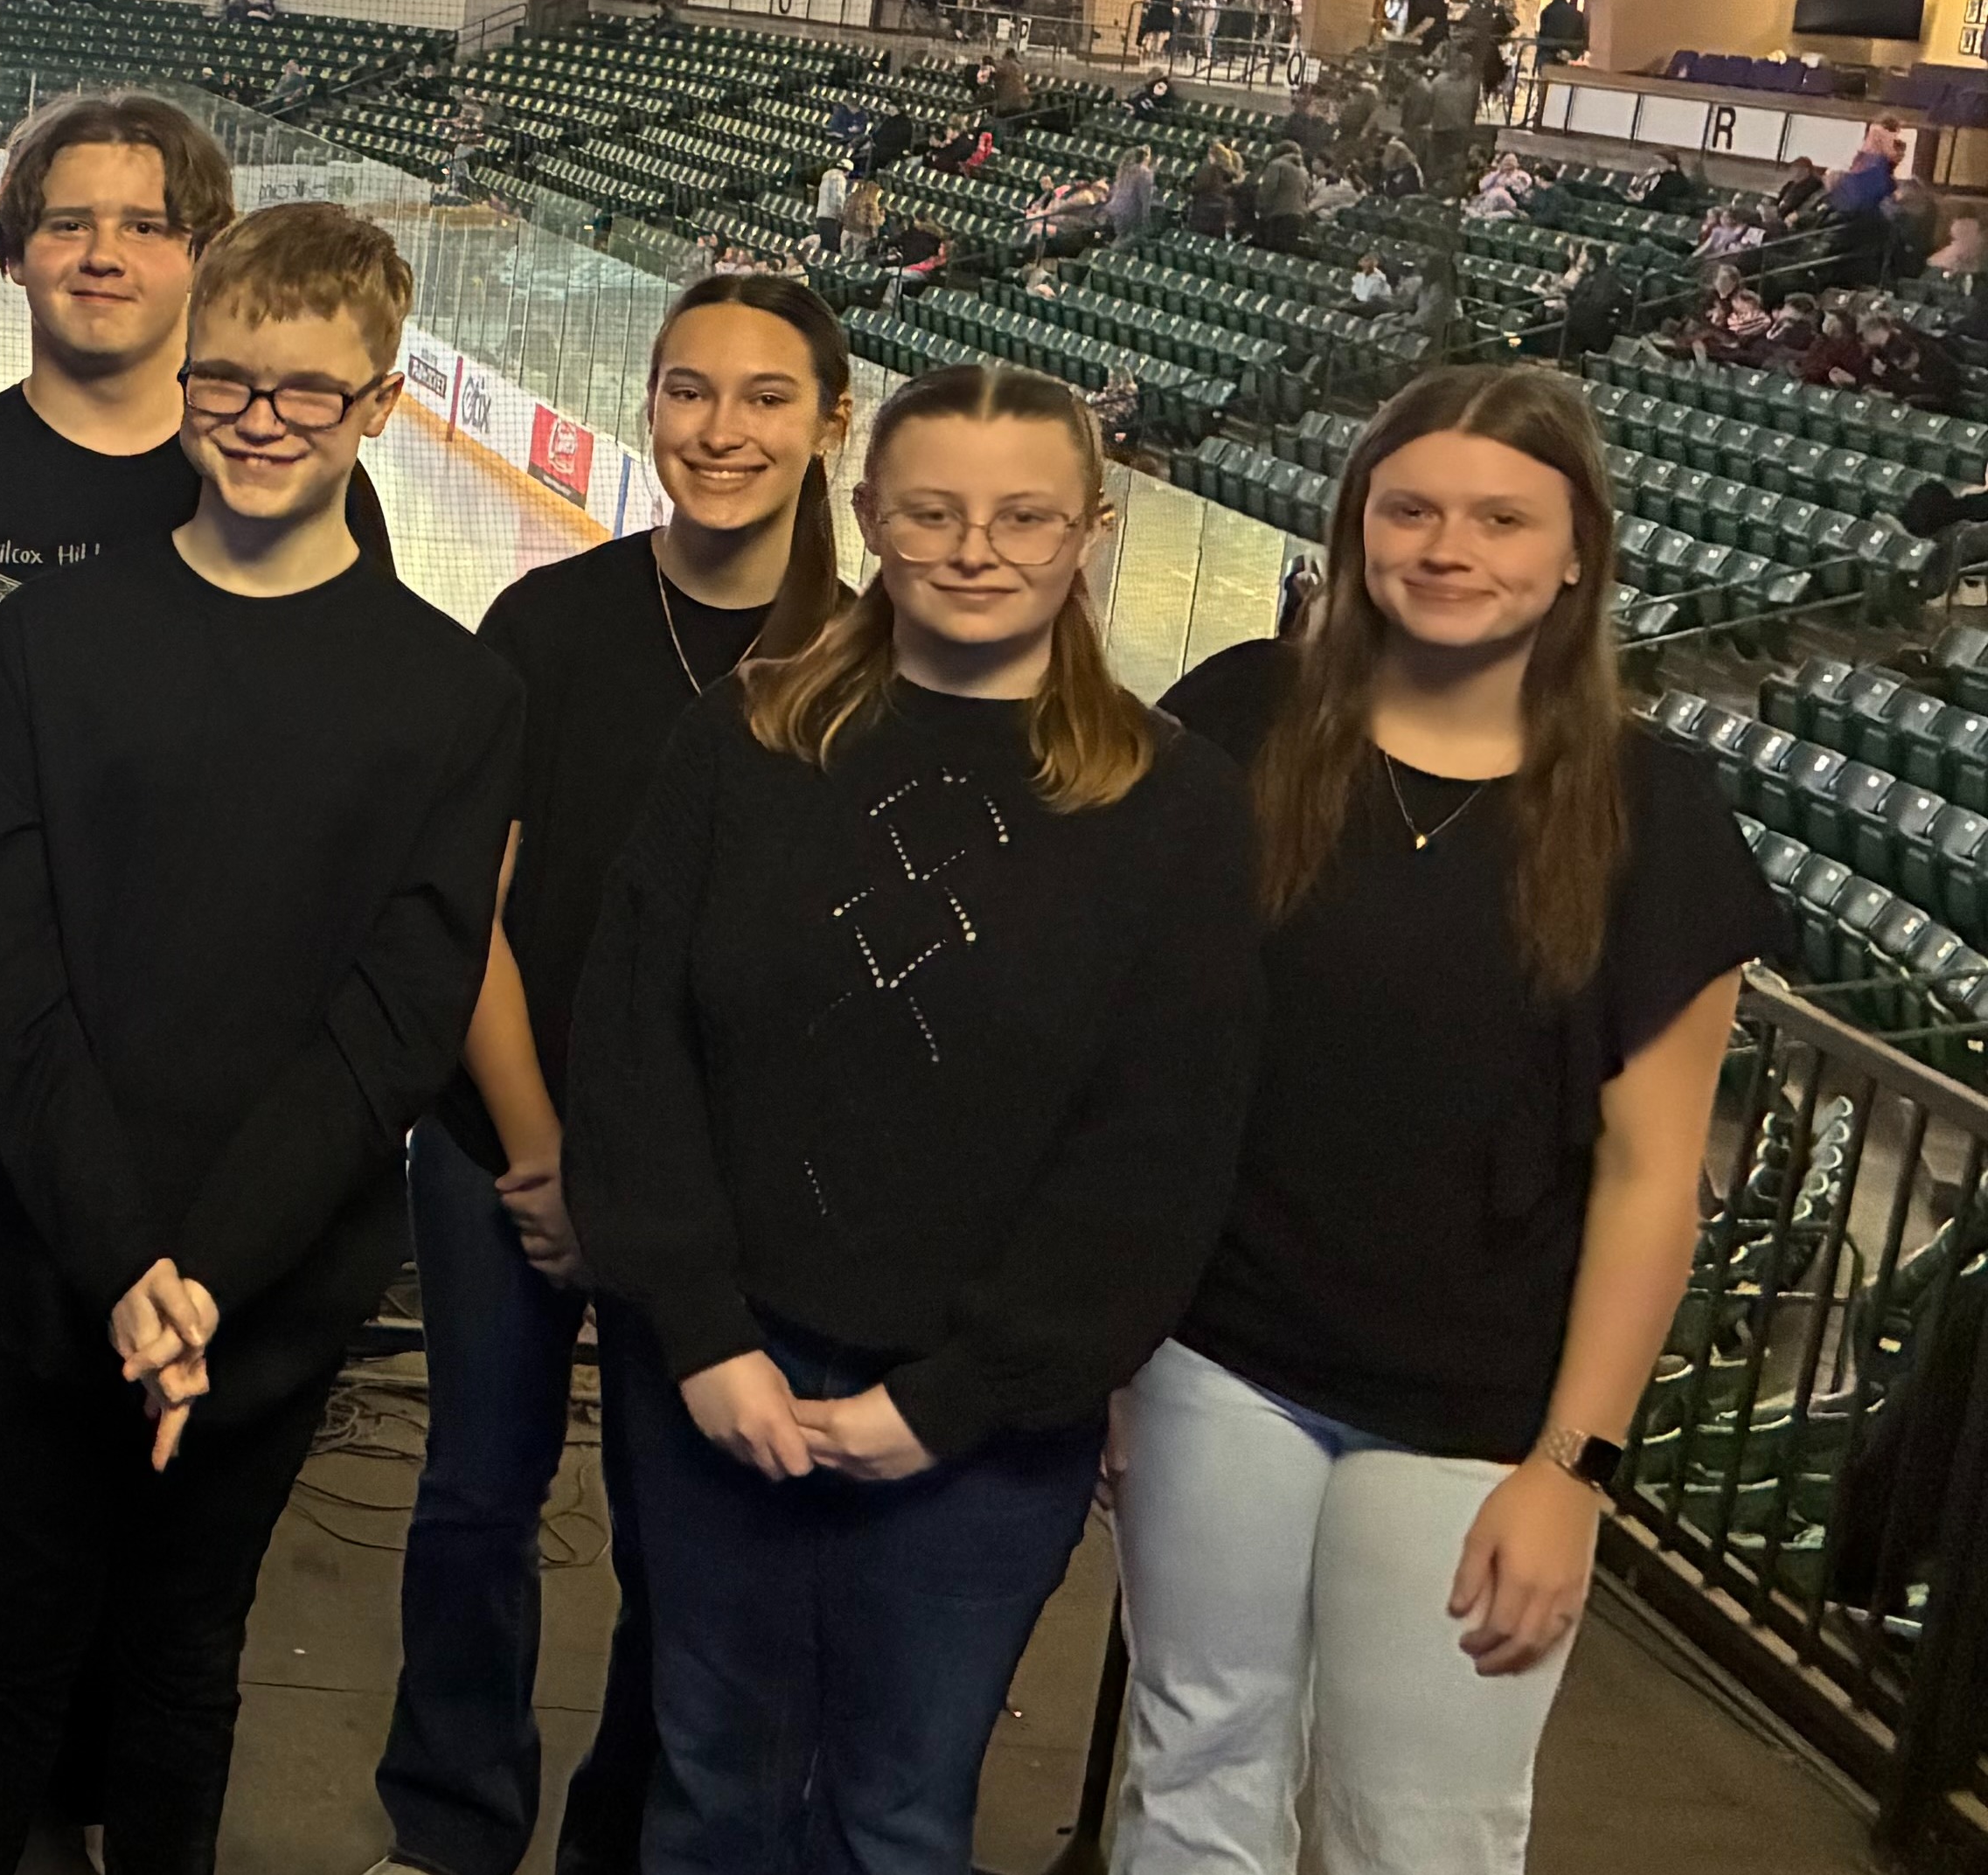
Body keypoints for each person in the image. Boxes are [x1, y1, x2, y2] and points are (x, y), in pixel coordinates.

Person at [564, 361, 1262, 1875]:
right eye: (931, 510)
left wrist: (955, 1396)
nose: (974, 546)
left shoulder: (1175, 807)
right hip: (718, 1377)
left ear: (1093, 525)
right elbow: (636, 1042)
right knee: (709, 1782)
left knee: (894, 1810)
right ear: (867, 513)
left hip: (980, 1428)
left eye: (1022, 514)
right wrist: (698, 1329)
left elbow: (1154, 1147)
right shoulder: (745, 740)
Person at [0, 202, 521, 1873]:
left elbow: (396, 1016)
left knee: (185, 1653)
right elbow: (10, 961)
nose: (262, 420)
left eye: (308, 393)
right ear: (187, 380)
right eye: (230, 383)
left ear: (381, 406)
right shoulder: (52, 636)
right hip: (45, 1241)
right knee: (7, 1640)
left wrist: (201, 1276)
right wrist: (127, 1258)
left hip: (269, 1273)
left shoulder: (453, 694)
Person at [1119, 365, 1778, 1875]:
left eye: (1498, 516)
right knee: (1194, 1763)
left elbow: (1649, 1177)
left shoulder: (1652, 812)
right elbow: (1145, 1045)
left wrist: (1570, 1468)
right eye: (1407, 507)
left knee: (1420, 1827)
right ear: (1355, 528)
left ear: (1574, 554)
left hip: (1480, 1412)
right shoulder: (1238, 713)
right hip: (1219, 1357)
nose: (1445, 544)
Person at [0, 90, 388, 1875]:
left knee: (167, 1513)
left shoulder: (295, 480)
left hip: (212, 1088)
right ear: (14, 247)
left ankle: (73, 1782)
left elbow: (312, 796)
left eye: (146, 220)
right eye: (68, 217)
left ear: (204, 253)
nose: (102, 248)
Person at [378, 274, 860, 1875]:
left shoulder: (870, 669)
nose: (720, 429)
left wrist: (649, 1195)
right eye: (689, 390)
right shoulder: (550, 622)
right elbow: (476, 915)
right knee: (471, 1499)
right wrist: (545, 1155)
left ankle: (624, 1843)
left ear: (830, 425)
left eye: (764, 396)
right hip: (502, 1144)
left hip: (719, 1191)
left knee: (690, 1546)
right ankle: (451, 1826)